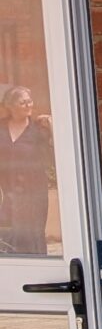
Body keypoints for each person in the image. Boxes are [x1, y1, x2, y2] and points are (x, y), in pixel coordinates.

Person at [0, 81, 54, 255]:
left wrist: (52, 124)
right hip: (8, 191)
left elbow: (59, 150)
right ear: (10, 106)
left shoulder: (38, 129)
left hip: (34, 192)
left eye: (29, 101)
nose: (28, 105)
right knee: (9, 235)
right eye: (23, 102)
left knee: (33, 234)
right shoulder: (1, 127)